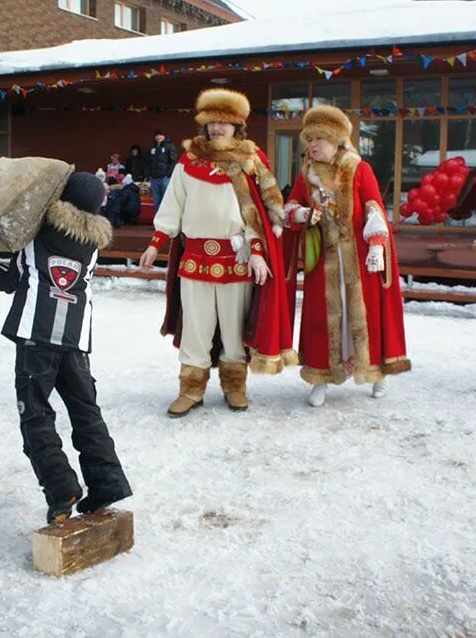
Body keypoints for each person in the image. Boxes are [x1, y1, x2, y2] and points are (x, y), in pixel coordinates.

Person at [0, 173, 132, 524]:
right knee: (86, 412)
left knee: (36, 415)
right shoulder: (92, 244)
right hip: (76, 343)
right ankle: (107, 483)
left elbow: (13, 278)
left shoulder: (36, 234)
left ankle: (61, 488)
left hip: (36, 338)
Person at [139, 88, 295, 416]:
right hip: (195, 258)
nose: (216, 128)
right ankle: (191, 389)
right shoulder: (187, 161)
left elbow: (258, 213)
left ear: (237, 126)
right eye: (212, 122)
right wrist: (156, 243)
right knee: (196, 326)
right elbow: (172, 206)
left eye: (224, 123)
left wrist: (256, 251)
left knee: (234, 329)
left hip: (236, 259)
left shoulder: (249, 161)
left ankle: (234, 386)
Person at [284, 105, 410, 408]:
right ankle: (321, 377)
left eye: (320, 139)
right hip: (324, 260)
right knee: (321, 320)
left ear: (338, 140)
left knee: (366, 317)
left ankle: (377, 372)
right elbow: (290, 208)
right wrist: (302, 213)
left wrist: (378, 245)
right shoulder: (306, 175)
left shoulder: (358, 168)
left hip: (359, 258)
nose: (313, 145)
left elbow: (374, 208)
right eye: (310, 139)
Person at [148, 128, 177, 212]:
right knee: (156, 202)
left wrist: (168, 174)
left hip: (164, 178)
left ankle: (168, 221)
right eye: (157, 135)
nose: (158, 137)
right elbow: (149, 162)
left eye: (160, 135)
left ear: (164, 136)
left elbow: (173, 161)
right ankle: (158, 222)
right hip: (154, 179)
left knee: (167, 200)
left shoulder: (170, 147)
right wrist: (150, 174)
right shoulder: (152, 148)